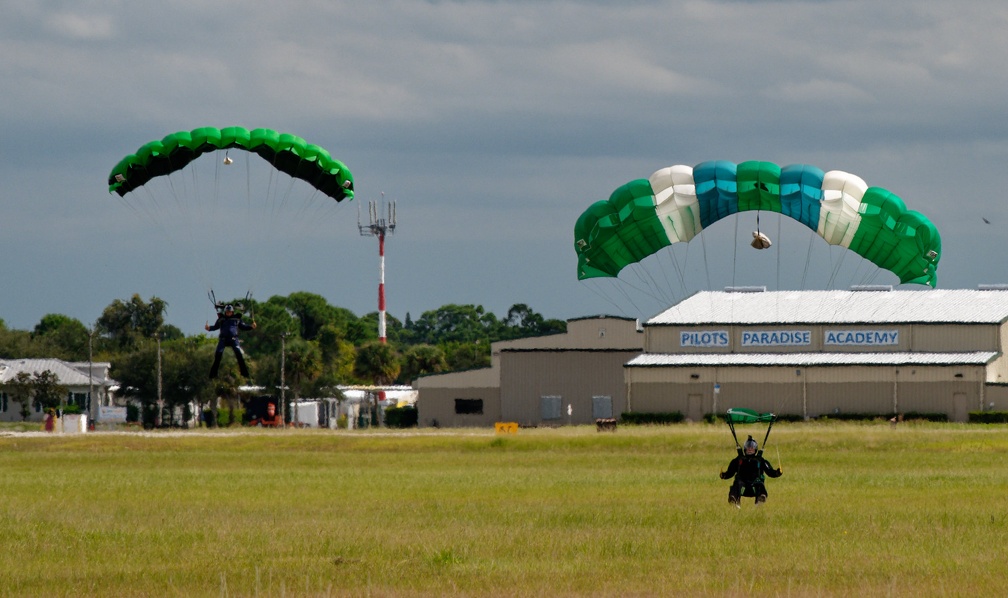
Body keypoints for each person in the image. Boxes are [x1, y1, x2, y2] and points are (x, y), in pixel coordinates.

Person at [720, 435, 782, 507]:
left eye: (752, 447)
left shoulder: (760, 460)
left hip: (754, 488)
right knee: (737, 483)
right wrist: (724, 475)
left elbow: (770, 472)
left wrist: (777, 473)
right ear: (745, 449)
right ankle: (734, 500)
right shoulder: (738, 460)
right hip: (742, 487)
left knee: (760, 484)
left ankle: (760, 500)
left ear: (755, 449)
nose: (750, 449)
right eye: (748, 447)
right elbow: (730, 472)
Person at [205, 304, 256, 379]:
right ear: (225, 312)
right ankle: (213, 375)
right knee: (218, 355)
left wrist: (251, 327)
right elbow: (215, 327)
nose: (228, 313)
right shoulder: (221, 319)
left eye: (230, 312)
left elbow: (243, 327)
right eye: (227, 312)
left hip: (233, 339)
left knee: (239, 354)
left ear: (232, 312)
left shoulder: (236, 319)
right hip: (223, 340)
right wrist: (209, 328)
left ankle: (244, 373)